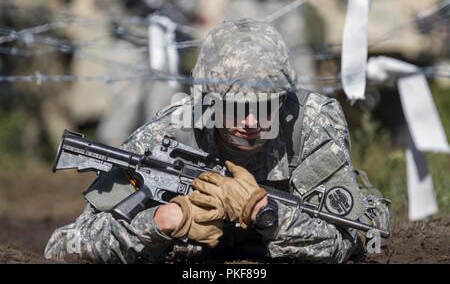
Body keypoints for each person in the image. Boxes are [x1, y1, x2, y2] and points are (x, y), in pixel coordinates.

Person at [44, 19, 390, 264]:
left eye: (265, 107)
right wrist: (161, 223)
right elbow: (63, 247)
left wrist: (265, 215)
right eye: (236, 108)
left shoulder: (309, 126)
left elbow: (355, 239)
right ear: (207, 103)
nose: (252, 123)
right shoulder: (168, 135)